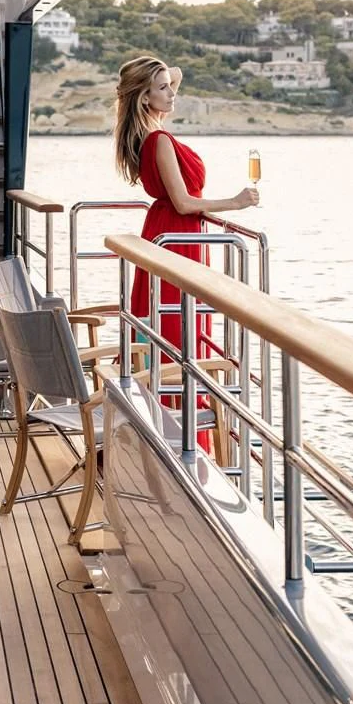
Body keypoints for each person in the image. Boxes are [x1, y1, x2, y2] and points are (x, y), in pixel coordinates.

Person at [114, 56, 258, 450]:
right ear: (144, 99)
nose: (173, 92)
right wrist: (236, 202)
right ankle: (177, 442)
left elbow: (172, 75)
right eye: (162, 89)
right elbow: (182, 202)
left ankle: (171, 436)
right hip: (176, 236)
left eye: (170, 86)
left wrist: (159, 77)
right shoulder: (158, 140)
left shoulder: (152, 132)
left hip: (171, 234)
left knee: (177, 331)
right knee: (177, 335)